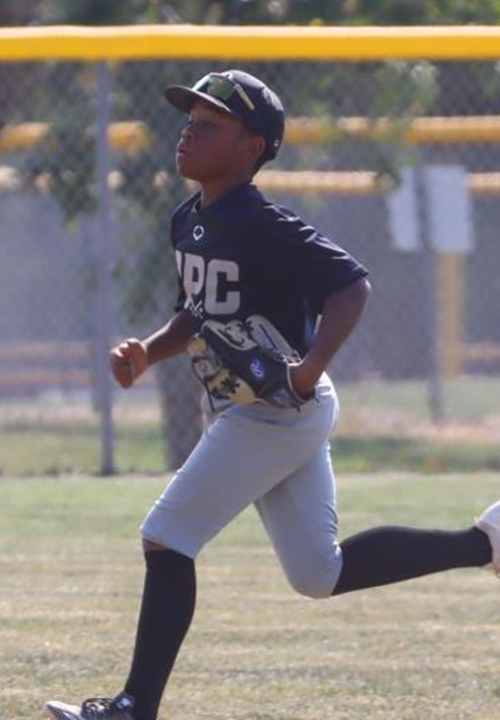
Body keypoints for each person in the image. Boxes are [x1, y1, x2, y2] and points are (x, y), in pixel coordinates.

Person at [46, 70, 500, 720]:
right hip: (268, 410)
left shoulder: (261, 222)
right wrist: (148, 350)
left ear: (252, 147)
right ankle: (486, 543)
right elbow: (196, 313)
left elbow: (351, 285)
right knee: (318, 573)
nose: (188, 133)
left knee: (166, 538)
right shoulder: (189, 220)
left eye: (210, 126)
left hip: (275, 413)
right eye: (189, 122)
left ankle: (133, 708)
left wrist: (310, 367)